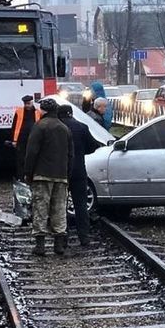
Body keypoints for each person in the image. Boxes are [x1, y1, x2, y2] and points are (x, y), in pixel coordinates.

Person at [25, 99, 74, 256]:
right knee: (59, 209)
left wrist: (28, 172)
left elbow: (32, 152)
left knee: (41, 208)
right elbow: (70, 155)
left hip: (42, 175)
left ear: (43, 111)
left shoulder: (39, 126)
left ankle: (40, 246)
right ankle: (58, 245)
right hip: (61, 175)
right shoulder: (64, 128)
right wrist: (68, 174)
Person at [58, 105, 99, 246]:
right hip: (79, 171)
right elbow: (92, 146)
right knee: (81, 205)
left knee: (60, 204)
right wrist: (81, 152)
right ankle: (84, 237)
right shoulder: (82, 127)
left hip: (61, 172)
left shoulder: (58, 128)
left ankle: (63, 238)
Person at [9, 95, 41, 180]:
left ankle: (32, 177)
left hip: (34, 139)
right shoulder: (19, 111)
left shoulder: (38, 112)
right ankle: (21, 177)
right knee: (21, 160)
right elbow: (14, 126)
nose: (27, 105)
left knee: (33, 158)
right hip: (21, 140)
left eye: (29, 103)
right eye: (26, 104)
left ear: (32, 102)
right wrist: (14, 140)